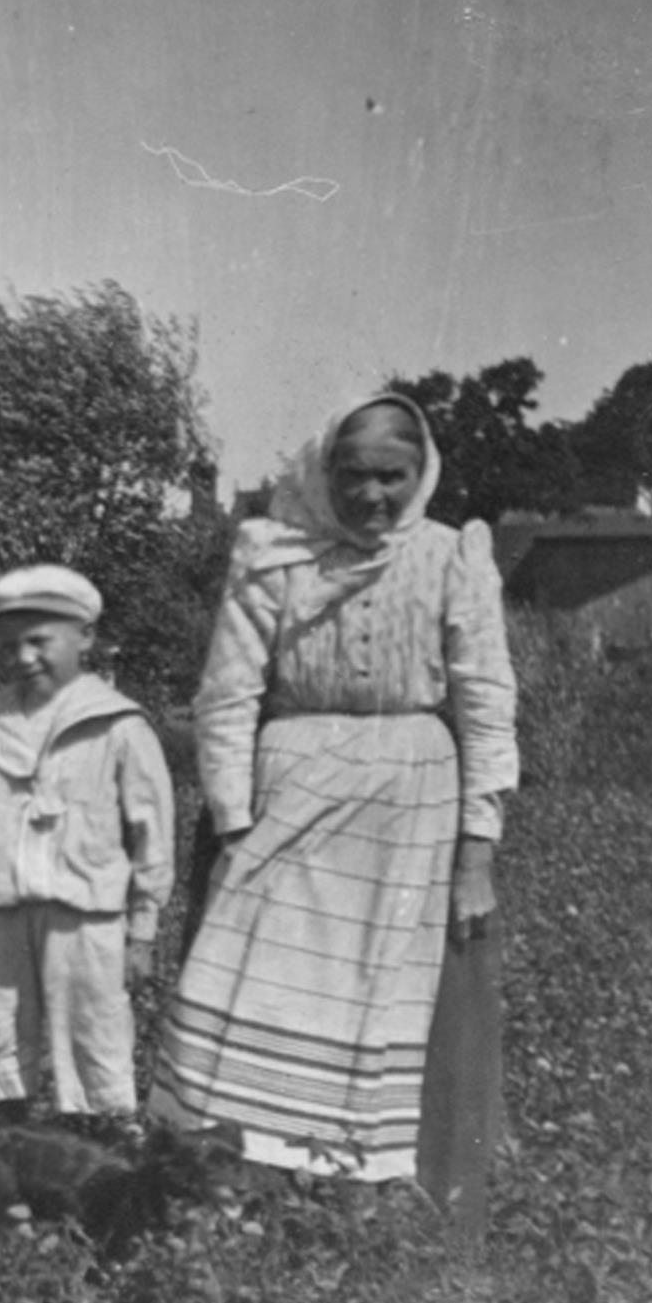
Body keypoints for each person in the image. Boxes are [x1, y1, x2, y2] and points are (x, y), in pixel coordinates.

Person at [148, 392, 517, 1229]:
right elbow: (226, 697)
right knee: (249, 989)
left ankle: (373, 1198)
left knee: (388, 999)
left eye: (392, 476)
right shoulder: (274, 555)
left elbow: (487, 702)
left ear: (421, 474)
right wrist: (234, 826)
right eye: (353, 476)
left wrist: (477, 851)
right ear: (325, 471)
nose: (372, 495)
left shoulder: (452, 556)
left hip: (411, 807)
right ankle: (238, 1190)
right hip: (287, 797)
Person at [0, 564, 176, 1118]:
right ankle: (2, 1154)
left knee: (96, 1041)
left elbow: (152, 832)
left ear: (85, 637)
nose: (23, 658)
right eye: (8, 646)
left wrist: (143, 929)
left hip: (86, 918)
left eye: (39, 641)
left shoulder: (118, 725)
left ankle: (102, 1154)